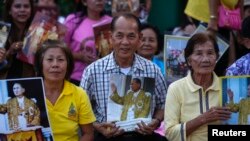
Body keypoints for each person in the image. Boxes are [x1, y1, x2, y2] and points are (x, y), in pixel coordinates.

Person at [80, 13, 167, 141]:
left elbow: (163, 104)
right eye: (119, 36)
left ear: (139, 38)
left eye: (131, 36)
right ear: (111, 37)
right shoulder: (92, 71)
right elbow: (81, 110)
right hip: (106, 137)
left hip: (143, 136)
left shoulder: (153, 70)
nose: (125, 42)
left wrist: (157, 121)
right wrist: (97, 126)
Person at [164, 32, 231, 141]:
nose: (205, 59)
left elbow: (240, 131)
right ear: (189, 60)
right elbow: (170, 134)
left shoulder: (226, 87)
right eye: (199, 54)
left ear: (216, 58)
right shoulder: (176, 88)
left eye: (210, 53)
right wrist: (203, 119)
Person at [34, 39, 96, 141]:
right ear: (40, 64)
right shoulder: (28, 92)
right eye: (50, 59)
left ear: (68, 65)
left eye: (61, 60)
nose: (55, 65)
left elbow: (88, 134)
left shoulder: (79, 94)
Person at [64, 0, 112, 86]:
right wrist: (80, 56)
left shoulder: (111, 22)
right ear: (84, 2)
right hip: (76, 78)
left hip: (103, 79)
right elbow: (61, 49)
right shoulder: (73, 21)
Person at [0, 0, 35, 79]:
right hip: (3, 83)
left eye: (26, 6)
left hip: (30, 81)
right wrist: (9, 52)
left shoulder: (38, 31)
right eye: (17, 6)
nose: (22, 10)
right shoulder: (2, 31)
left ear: (31, 10)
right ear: (9, 11)